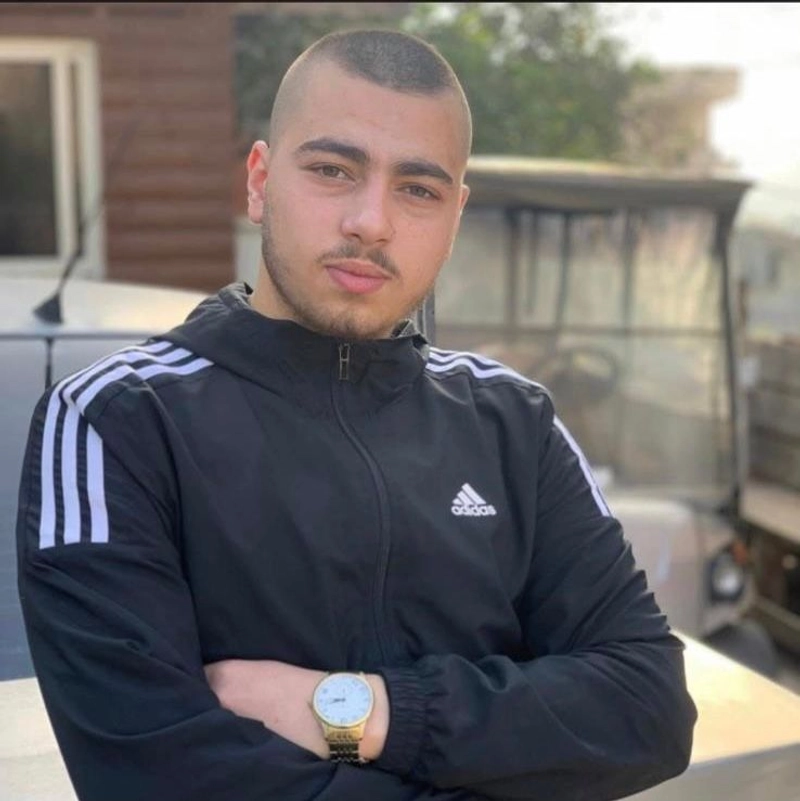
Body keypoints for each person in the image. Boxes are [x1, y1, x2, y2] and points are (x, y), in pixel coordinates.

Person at [16, 29, 696, 801]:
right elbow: (158, 774)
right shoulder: (118, 421)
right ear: (259, 181)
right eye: (333, 170)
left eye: (418, 189)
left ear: (455, 215)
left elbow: (648, 704)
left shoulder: (514, 422)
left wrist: (360, 712)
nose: (372, 221)